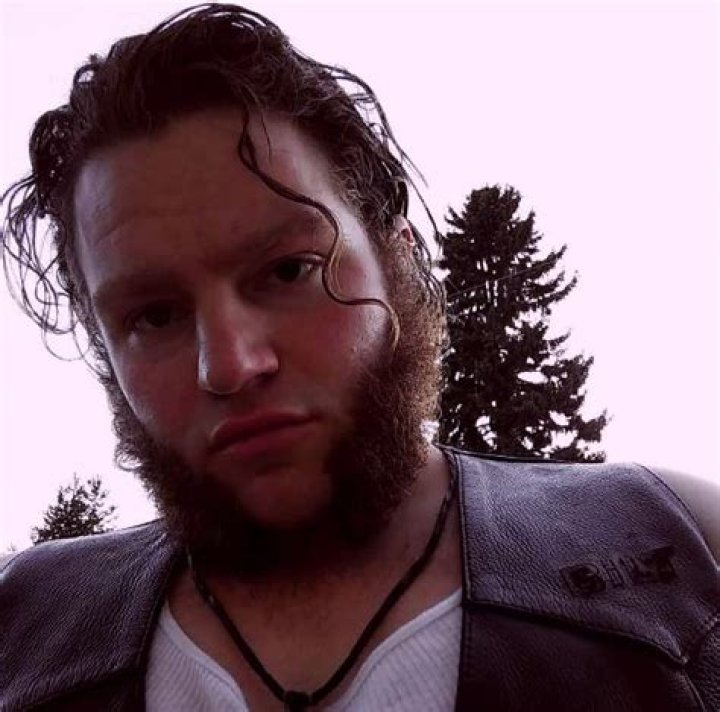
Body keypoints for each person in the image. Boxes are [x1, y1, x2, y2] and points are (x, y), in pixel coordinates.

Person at [0, 5, 717, 711]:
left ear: (395, 257)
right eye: (154, 316)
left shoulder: (686, 548)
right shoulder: (20, 633)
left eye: (288, 271)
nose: (231, 366)